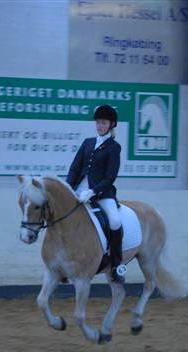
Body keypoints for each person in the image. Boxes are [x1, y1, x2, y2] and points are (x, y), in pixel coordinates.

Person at [66, 104, 127, 283]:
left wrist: (92, 191)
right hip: (78, 191)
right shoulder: (88, 143)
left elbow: (110, 177)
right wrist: (69, 187)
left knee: (115, 221)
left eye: (103, 123)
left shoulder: (114, 147)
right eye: (98, 122)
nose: (100, 125)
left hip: (102, 194)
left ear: (111, 124)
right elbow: (74, 168)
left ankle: (117, 264)